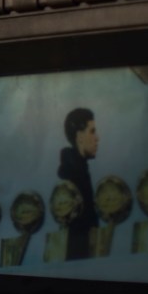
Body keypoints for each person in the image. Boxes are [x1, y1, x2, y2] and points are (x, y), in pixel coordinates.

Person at [57, 107, 99, 259]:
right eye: (92, 131)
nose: (97, 138)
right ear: (80, 136)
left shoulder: (78, 167)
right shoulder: (75, 172)